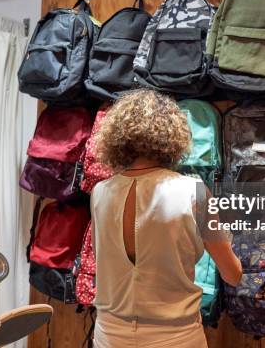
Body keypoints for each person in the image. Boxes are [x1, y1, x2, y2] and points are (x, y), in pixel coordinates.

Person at [90, 89, 243, 348]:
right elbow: (233, 274)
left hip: (110, 333)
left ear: (117, 138)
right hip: (175, 337)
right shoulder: (193, 192)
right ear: (172, 136)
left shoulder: (100, 192)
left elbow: (101, 261)